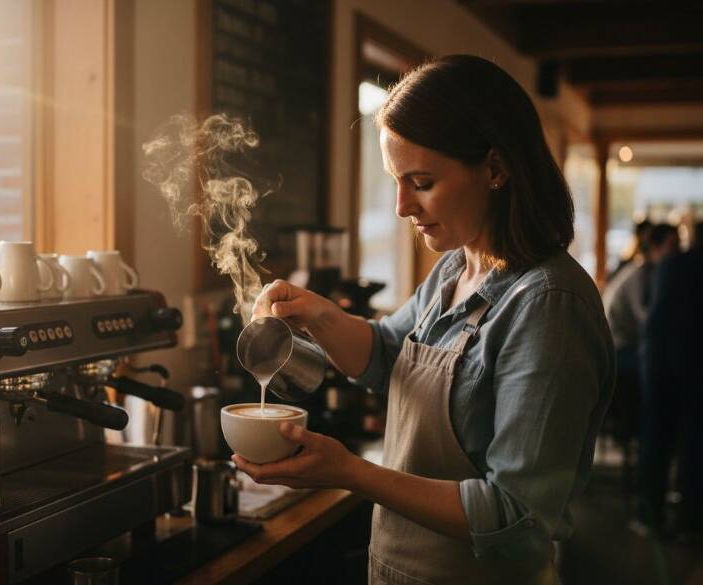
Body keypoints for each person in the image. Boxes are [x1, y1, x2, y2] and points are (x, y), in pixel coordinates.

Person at [234, 55, 614, 585]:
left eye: (422, 182)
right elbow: (388, 355)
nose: (401, 207)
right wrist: (315, 312)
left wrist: (349, 472)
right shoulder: (455, 268)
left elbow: (517, 516)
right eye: (396, 181)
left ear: (497, 169)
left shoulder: (549, 305)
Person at [636, 221, 702, 537]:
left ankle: (649, 516)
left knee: (656, 438)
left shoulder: (670, 265)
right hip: (690, 364)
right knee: (693, 442)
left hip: (658, 361)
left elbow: (652, 315)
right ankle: (690, 521)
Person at [602, 223, 679, 457]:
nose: (676, 251)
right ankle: (646, 440)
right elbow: (643, 319)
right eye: (672, 245)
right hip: (615, 349)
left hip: (629, 345)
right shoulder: (639, 274)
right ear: (655, 247)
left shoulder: (649, 272)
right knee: (663, 378)